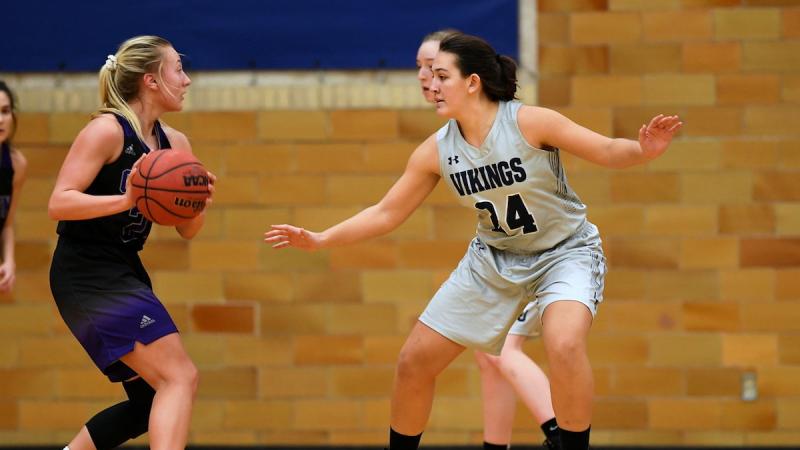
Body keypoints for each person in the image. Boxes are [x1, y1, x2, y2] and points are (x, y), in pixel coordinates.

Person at [265, 33, 681, 450]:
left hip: (564, 251)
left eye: (442, 75)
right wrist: (321, 239)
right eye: (427, 74)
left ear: (472, 82)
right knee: (413, 362)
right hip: (494, 259)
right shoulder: (436, 150)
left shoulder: (529, 122)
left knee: (565, 342)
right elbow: (386, 212)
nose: (430, 84)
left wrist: (643, 150)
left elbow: (608, 150)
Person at [48, 36, 213, 450]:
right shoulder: (106, 130)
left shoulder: (177, 145)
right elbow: (59, 202)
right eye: (179, 69)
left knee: (150, 402)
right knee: (180, 377)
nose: (188, 79)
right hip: (86, 271)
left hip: (124, 269)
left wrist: (198, 201)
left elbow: (188, 231)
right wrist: (128, 197)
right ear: (151, 80)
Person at [416, 31, 560, 450]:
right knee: (488, 353)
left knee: (504, 350)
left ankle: (557, 431)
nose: (425, 78)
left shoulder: (507, 121)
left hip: (540, 254)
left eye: (433, 68)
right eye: (420, 69)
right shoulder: (453, 136)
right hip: (507, 254)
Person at [0, 81, 27, 293]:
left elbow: (7, 224)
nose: (1, 119)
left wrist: (9, 261)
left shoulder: (16, 164)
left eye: (5, 111)